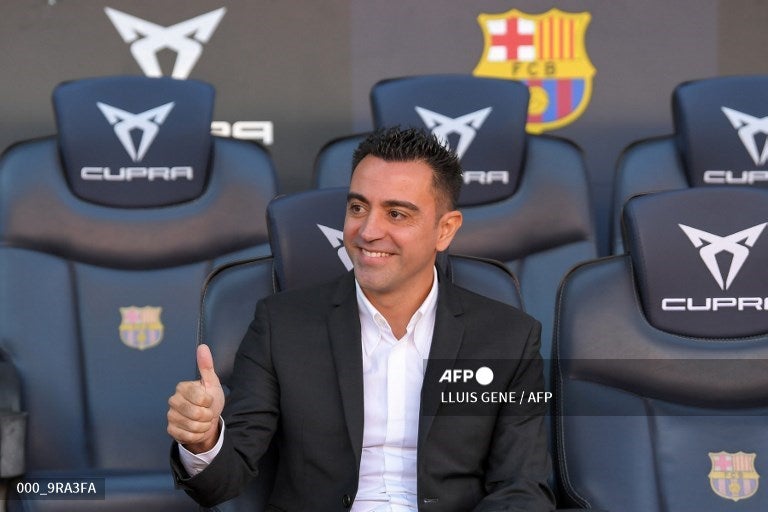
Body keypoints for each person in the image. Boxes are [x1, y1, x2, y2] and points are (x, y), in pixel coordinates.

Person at [167, 127, 555, 511]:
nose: (368, 231)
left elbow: (523, 487)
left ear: (445, 229)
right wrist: (204, 440)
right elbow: (222, 483)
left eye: (396, 213)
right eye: (357, 208)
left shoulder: (509, 338)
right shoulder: (281, 325)